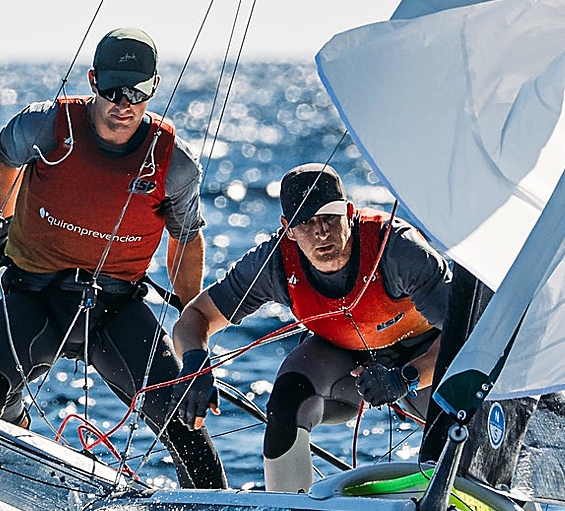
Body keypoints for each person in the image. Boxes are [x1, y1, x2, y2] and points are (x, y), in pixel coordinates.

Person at [0, 27, 226, 490]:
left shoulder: (175, 163)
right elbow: (4, 161)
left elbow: (185, 241)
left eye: (138, 92)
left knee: (186, 426)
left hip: (115, 310)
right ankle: (17, 430)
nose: (124, 104)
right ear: (91, 81)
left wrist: (192, 342)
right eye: (112, 91)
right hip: (34, 296)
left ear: (154, 89)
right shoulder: (43, 125)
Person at [171, 163, 450, 492]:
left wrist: (407, 376)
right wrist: (194, 364)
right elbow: (194, 317)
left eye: (330, 218)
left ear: (349, 212)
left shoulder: (398, 251)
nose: (321, 232)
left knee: (461, 413)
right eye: (306, 222)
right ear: (288, 228)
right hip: (345, 368)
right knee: (289, 395)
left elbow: (469, 334)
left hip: (429, 361)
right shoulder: (274, 262)